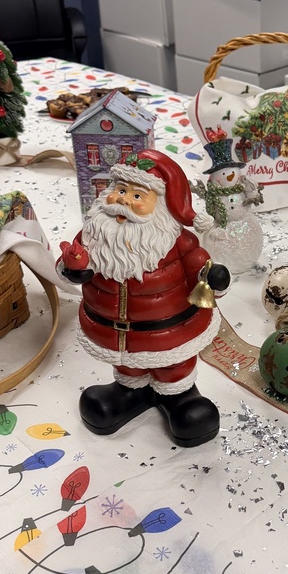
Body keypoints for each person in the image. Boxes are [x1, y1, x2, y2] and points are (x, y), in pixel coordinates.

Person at [58, 149, 230, 447]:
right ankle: (130, 391)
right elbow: (75, 261)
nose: (124, 200)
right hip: (113, 334)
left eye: (138, 196)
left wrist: (214, 279)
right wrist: (73, 269)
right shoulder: (94, 236)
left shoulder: (177, 244)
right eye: (120, 190)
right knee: (129, 366)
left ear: (161, 206)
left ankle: (179, 397)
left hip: (170, 332)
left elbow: (201, 270)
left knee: (173, 366)